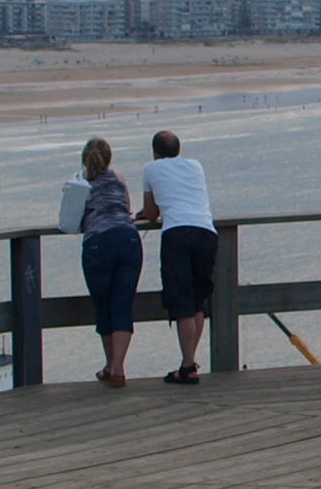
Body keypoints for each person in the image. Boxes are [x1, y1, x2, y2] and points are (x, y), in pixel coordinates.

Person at [134, 129, 217, 383]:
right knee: (198, 299)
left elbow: (151, 212)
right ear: (179, 149)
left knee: (181, 302)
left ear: (155, 152)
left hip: (177, 234)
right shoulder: (195, 165)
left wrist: (141, 215)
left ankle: (188, 365)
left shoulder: (151, 169)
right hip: (206, 232)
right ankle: (188, 362)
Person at [67, 135, 142, 384]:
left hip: (99, 242)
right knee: (122, 304)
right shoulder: (118, 179)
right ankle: (119, 367)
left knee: (104, 305)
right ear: (109, 158)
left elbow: (69, 221)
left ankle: (110, 365)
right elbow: (128, 210)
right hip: (129, 239)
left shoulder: (79, 184)